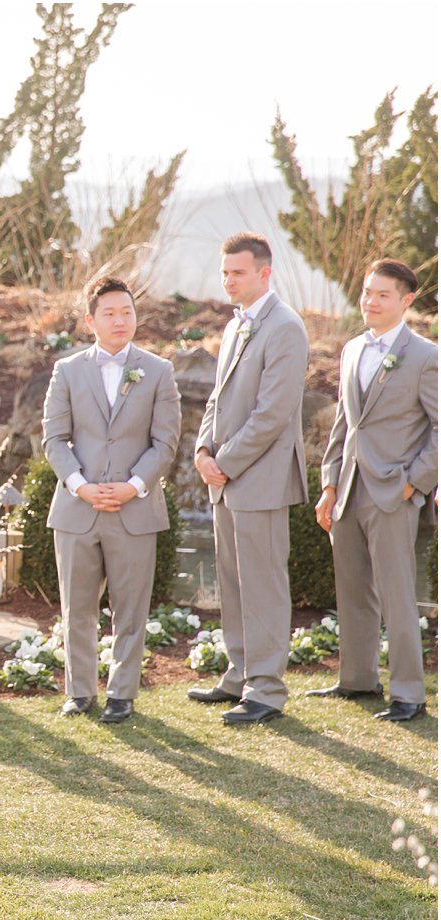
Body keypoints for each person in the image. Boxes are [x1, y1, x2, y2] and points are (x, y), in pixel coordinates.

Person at [42, 276, 181, 723]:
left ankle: (123, 694)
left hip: (134, 510)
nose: (121, 320)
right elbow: (54, 439)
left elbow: (165, 443)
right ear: (90, 321)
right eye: (110, 313)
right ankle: (79, 692)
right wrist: (80, 486)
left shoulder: (159, 371)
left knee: (130, 609)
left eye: (127, 312)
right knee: (76, 608)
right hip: (77, 510)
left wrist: (134, 485)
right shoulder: (67, 370)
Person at [188, 232, 309, 724]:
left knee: (263, 585)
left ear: (264, 272)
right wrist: (201, 450)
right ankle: (238, 675)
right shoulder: (236, 326)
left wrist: (226, 462)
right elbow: (217, 400)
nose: (228, 281)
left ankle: (267, 691)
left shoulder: (286, 328)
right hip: (226, 479)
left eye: (237, 272)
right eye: (224, 273)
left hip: (260, 477)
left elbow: (272, 413)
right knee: (233, 584)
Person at [311, 258, 437, 721]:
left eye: (382, 294)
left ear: (405, 301)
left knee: (397, 592)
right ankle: (358, 679)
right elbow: (345, 425)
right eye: (367, 292)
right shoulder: (351, 350)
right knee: (352, 588)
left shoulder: (426, 356)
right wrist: (328, 485)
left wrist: (412, 485)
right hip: (348, 489)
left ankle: (408, 694)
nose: (371, 301)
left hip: (393, 492)